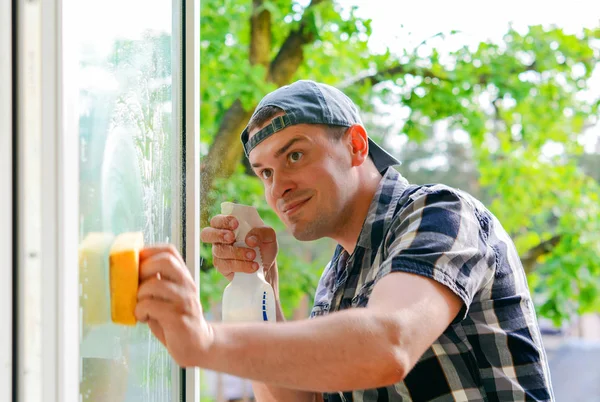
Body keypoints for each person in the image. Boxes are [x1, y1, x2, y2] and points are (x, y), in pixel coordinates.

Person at [135, 80, 555, 401]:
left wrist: (204, 341)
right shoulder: (338, 276)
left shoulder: (440, 212)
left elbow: (388, 344)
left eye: (294, 155)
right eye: (264, 172)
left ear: (356, 145)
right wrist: (261, 286)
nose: (277, 187)